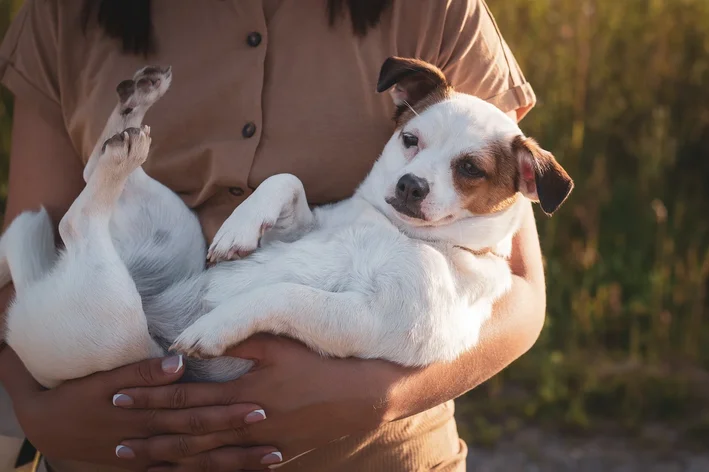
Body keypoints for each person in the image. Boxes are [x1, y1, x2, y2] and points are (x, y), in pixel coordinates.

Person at [0, 1, 545, 471]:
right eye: (412, 144)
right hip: (116, 419)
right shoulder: (65, 14)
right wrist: (35, 413)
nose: (420, 172)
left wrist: (373, 398)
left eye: (464, 170)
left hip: (370, 456)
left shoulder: (437, 12)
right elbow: (22, 252)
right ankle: (115, 178)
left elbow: (517, 291)